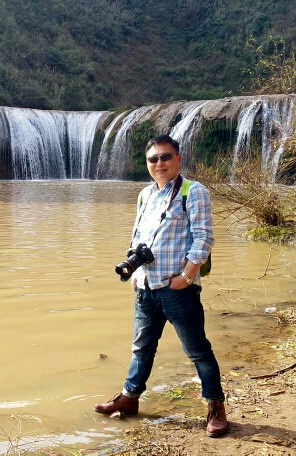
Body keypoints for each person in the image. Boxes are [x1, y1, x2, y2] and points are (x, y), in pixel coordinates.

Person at [93, 135, 228, 437]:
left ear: (178, 158)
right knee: (141, 348)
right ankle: (129, 399)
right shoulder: (145, 195)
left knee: (198, 351)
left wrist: (187, 277)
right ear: (147, 163)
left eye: (166, 157)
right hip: (146, 287)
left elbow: (203, 238)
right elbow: (137, 236)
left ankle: (216, 407)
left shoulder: (193, 191)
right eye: (153, 158)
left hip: (177, 288)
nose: (159, 163)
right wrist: (135, 271)